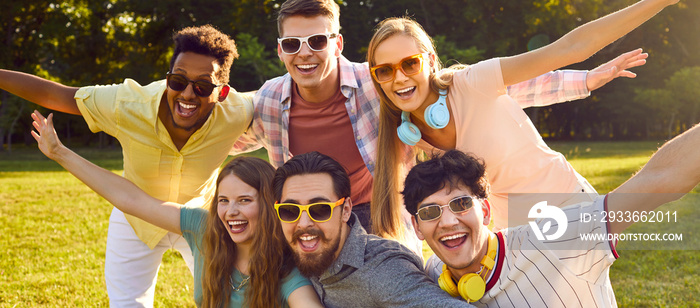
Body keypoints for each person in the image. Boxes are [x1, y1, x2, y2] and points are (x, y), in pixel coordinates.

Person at [232, 0, 650, 242]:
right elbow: (229, 129)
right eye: (292, 43)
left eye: (409, 63)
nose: (398, 78)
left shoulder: (429, 82)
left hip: (554, 203)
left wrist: (587, 80)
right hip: (496, 227)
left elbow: (525, 78)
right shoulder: (274, 100)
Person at [367, 0, 676, 237]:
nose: (399, 78)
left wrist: (657, 3)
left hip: (568, 208)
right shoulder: (406, 133)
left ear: (430, 61)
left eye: (410, 64)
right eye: (385, 70)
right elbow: (401, 212)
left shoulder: (472, 83)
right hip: (510, 236)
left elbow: (570, 48)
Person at [0, 25, 253, 306]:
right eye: (178, 81)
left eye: (203, 86)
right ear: (167, 78)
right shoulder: (128, 103)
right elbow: (58, 95)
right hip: (134, 217)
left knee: (228, 301)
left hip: (201, 219)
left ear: (223, 92)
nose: (188, 95)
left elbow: (289, 103)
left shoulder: (239, 111)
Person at [30, 111, 322, 308]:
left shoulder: (284, 268)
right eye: (223, 200)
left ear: (270, 206)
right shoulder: (203, 227)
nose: (230, 211)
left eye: (245, 200)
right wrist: (59, 153)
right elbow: (131, 200)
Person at [403, 122, 700, 306]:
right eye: (430, 212)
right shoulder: (430, 275)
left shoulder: (554, 241)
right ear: (417, 228)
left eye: (460, 204)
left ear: (485, 209)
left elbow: (661, 178)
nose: (448, 221)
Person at [270, 151, 474, 307]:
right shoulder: (290, 250)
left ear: (346, 209)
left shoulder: (383, 270)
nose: (303, 223)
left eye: (320, 209)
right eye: (290, 210)